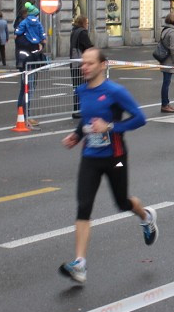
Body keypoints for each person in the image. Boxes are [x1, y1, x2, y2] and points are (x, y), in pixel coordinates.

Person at [59, 48, 158, 286]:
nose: (85, 67)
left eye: (90, 63)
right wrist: (76, 135)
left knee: (122, 202)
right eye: (83, 63)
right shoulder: (82, 90)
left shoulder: (115, 91)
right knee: (84, 205)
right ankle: (80, 263)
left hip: (116, 157)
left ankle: (146, 217)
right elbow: (87, 118)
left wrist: (111, 127)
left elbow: (139, 118)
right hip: (90, 156)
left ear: (103, 65)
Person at [15, 3, 46, 126]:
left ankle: (25, 115)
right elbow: (28, 44)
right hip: (27, 63)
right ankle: (24, 116)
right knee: (27, 90)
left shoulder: (23, 27)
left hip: (27, 62)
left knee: (27, 89)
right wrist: (39, 44)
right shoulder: (25, 30)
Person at [69, 15, 94, 118]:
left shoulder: (74, 31)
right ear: (83, 23)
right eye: (86, 22)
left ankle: (77, 109)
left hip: (74, 62)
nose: (87, 24)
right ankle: (82, 109)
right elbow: (89, 46)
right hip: (81, 63)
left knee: (77, 87)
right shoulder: (82, 33)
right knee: (84, 86)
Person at [158, 13, 174, 113]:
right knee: (166, 83)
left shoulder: (165, 30)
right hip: (169, 60)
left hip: (164, 59)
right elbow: (173, 48)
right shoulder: (172, 32)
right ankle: (164, 105)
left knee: (166, 82)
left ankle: (166, 103)